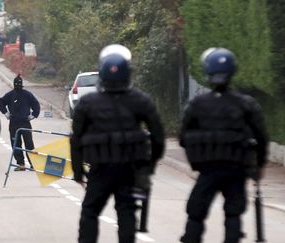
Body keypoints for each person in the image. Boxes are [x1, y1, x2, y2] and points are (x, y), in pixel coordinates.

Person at [70, 44, 165, 243]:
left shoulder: (87, 104)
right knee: (126, 213)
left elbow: (76, 140)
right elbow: (158, 137)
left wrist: (78, 172)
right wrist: (148, 167)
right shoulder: (141, 100)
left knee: (90, 212)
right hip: (129, 170)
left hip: (100, 170)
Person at [179, 48, 269, 243]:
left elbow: (183, 137)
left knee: (196, 213)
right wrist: (258, 166)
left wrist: (198, 157)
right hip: (237, 169)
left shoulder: (197, 104)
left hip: (208, 170)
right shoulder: (246, 104)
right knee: (233, 215)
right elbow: (261, 138)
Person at [0, 74, 40, 171]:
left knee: (29, 144)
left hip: (25, 123)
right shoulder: (10, 95)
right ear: (14, 84)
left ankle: (33, 164)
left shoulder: (27, 94)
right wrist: (5, 112)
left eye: (19, 84)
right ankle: (21, 164)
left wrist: (34, 114)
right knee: (16, 144)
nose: (18, 86)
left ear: (22, 85)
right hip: (14, 124)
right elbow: (1, 102)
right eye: (17, 84)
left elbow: (35, 104)